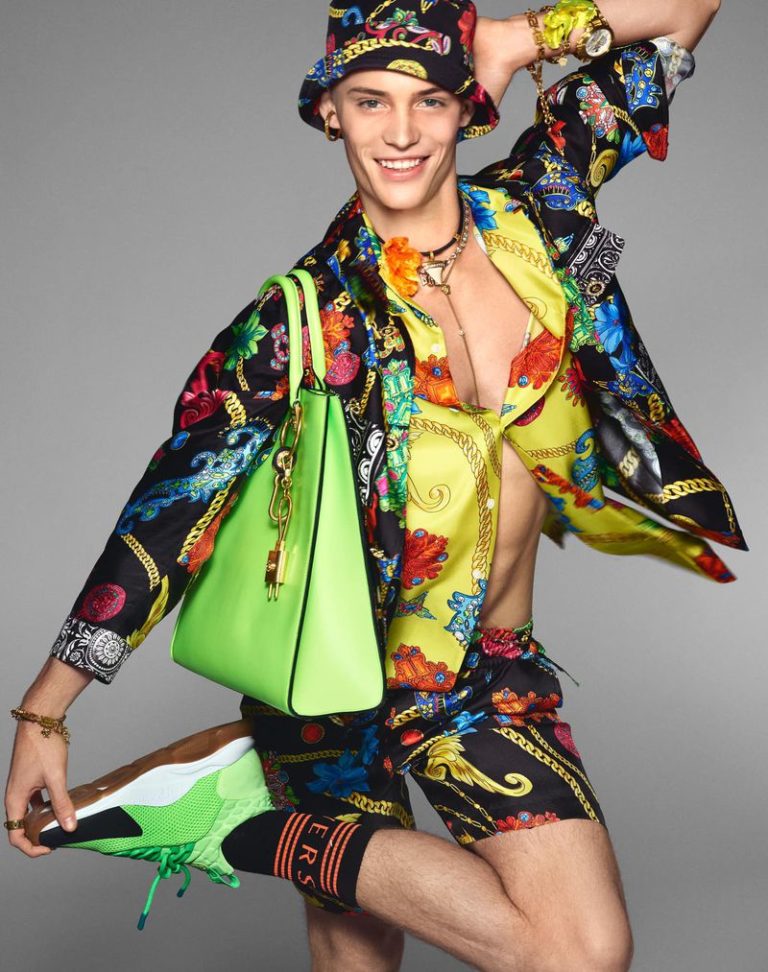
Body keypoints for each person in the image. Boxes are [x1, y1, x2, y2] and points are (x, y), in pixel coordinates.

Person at [5, 1, 743, 970]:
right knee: (360, 962)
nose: (400, 132)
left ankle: (254, 824)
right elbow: (171, 511)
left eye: (428, 99)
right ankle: (248, 813)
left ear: (466, 106)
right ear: (330, 114)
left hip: (487, 673)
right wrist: (47, 710)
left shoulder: (544, 207)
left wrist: (517, 38)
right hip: (335, 682)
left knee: (583, 950)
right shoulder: (302, 319)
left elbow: (689, 9)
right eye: (369, 101)